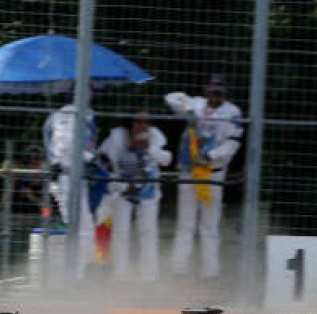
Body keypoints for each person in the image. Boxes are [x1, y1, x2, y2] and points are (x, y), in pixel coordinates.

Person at [165, 73, 243, 280]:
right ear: (205, 89)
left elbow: (232, 144)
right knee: (185, 223)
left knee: (209, 225)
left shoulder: (232, 112)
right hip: (189, 171)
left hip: (212, 174)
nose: (215, 94)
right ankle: (178, 269)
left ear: (226, 92)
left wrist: (210, 156)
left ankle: (210, 272)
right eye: (212, 89)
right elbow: (171, 98)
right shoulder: (196, 104)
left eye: (219, 90)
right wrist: (188, 110)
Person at [97, 109, 172, 282]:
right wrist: (122, 186)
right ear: (130, 122)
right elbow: (103, 165)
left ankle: (149, 277)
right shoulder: (116, 137)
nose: (142, 125)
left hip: (149, 191)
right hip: (122, 191)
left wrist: (150, 148)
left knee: (148, 232)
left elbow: (167, 159)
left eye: (146, 121)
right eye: (138, 121)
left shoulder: (155, 135)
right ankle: (120, 276)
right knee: (121, 232)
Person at [43, 103, 98, 279]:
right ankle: (75, 276)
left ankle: (80, 273)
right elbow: (65, 145)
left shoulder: (80, 113)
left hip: (75, 177)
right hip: (66, 178)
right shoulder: (67, 115)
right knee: (79, 227)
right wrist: (88, 158)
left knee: (85, 226)